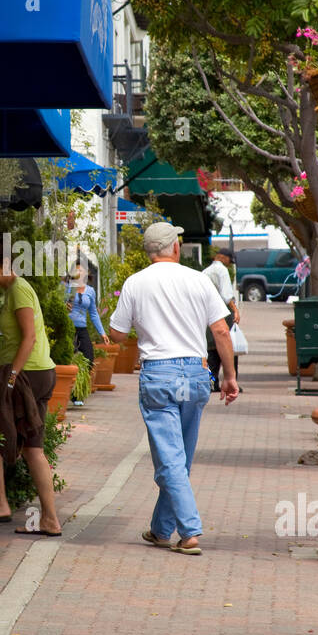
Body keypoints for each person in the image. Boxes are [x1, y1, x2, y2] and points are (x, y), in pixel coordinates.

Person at [109, 222, 238, 556]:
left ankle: (190, 531)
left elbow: (117, 336)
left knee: (170, 459)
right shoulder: (199, 280)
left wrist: (141, 323)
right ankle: (160, 529)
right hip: (196, 373)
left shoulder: (135, 283)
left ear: (148, 252)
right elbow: (222, 331)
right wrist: (230, 376)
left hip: (159, 375)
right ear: (176, 248)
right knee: (178, 458)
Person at [0, 244, 63, 536]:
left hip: (26, 375)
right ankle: (37, 515)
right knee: (21, 444)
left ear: (5, 262)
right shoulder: (13, 291)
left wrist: (11, 378)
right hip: (33, 373)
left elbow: (29, 337)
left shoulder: (19, 290)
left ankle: (5, 505)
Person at [65, 263, 109, 405]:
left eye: (82, 269)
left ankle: (76, 394)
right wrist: (63, 306)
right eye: (76, 269)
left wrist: (102, 333)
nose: (79, 271)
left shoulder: (90, 291)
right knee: (68, 360)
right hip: (68, 329)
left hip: (82, 329)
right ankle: (68, 392)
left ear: (86, 273)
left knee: (88, 358)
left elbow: (94, 313)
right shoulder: (67, 288)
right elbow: (58, 305)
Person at [202, 247, 241, 390]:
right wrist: (235, 310)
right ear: (222, 257)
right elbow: (226, 295)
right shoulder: (222, 270)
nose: (230, 264)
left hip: (207, 316)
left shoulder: (205, 272)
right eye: (230, 260)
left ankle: (211, 382)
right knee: (228, 348)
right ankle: (231, 381)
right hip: (222, 314)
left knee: (211, 351)